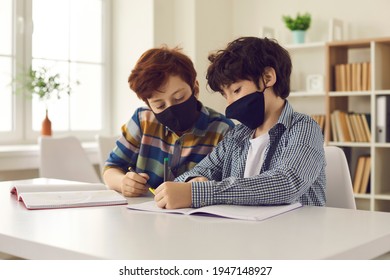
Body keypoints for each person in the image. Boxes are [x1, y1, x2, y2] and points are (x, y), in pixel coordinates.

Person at [154, 36, 326, 209]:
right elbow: (199, 171)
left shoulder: (304, 127)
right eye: (225, 95)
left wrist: (197, 193)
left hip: (297, 233)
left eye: (236, 90)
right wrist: (195, 181)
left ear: (268, 77)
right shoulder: (237, 135)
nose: (230, 104)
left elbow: (288, 183)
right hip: (244, 232)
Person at [103, 46, 234, 197]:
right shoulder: (143, 120)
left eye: (179, 98)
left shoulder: (222, 130)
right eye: (159, 105)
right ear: (149, 105)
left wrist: (202, 185)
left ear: (195, 89)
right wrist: (123, 182)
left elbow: (230, 185)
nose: (171, 109)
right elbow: (111, 168)